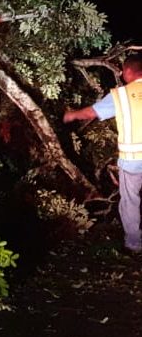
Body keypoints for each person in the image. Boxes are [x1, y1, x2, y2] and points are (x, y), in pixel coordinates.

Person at [63, 55, 142, 253]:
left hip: (133, 161)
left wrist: (70, 115)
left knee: (131, 202)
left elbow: (91, 113)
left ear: (128, 71)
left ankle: (134, 244)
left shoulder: (121, 95)